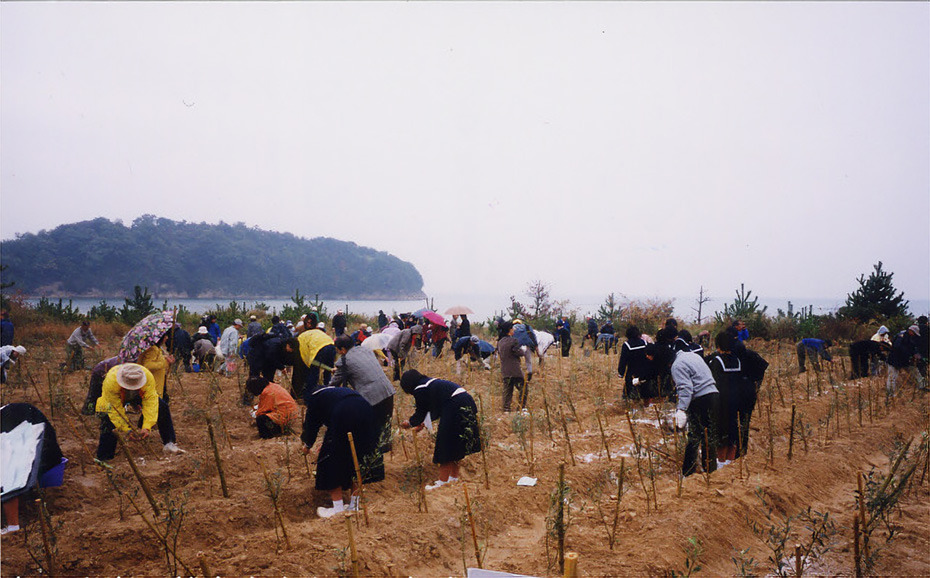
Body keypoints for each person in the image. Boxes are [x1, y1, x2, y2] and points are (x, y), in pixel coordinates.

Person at [300, 385, 383, 518]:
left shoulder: (315, 399)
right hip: (367, 411)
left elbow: (312, 425)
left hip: (344, 413)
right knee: (357, 458)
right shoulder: (336, 392)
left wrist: (307, 445)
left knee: (330, 460)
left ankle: (337, 509)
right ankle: (354, 505)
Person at [399, 370, 481, 490]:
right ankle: (453, 478)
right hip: (466, 401)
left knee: (445, 444)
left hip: (455, 406)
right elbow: (434, 409)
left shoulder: (420, 388)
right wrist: (423, 423)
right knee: (456, 443)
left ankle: (442, 481)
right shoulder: (431, 383)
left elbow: (421, 411)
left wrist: (410, 423)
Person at [95, 363, 182, 459]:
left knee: (162, 406)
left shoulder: (147, 376)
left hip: (139, 393)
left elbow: (151, 403)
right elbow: (114, 410)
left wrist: (147, 427)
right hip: (117, 395)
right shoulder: (111, 381)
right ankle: (105, 457)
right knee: (108, 419)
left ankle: (169, 443)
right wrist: (127, 430)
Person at [1, 403, 63, 535]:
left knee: (7, 478)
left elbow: (8, 480)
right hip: (40, 445)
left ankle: (13, 527)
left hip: (43, 452)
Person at [330, 335, 396, 451]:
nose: (338, 353)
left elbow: (333, 384)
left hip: (372, 397)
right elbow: (361, 367)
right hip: (387, 390)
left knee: (371, 429)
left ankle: (373, 458)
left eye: (338, 350)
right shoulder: (365, 350)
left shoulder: (344, 362)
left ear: (343, 349)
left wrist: (337, 373)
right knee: (385, 426)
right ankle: (383, 452)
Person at [668, 343, 719, 477]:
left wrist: (681, 409)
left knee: (694, 436)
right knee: (709, 434)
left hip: (701, 399)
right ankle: (711, 470)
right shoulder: (692, 355)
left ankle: (688, 472)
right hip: (713, 395)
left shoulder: (677, 365)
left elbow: (686, 388)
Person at [706, 332, 747, 467]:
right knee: (733, 433)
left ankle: (720, 463)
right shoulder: (737, 361)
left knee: (721, 434)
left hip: (721, 403)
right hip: (736, 402)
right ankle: (730, 462)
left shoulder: (717, 361)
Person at [295, 313, 337, 399]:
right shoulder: (319, 332)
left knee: (313, 374)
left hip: (319, 351)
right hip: (331, 347)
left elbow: (304, 353)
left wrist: (308, 364)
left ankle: (309, 398)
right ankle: (328, 393)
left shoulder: (302, 336)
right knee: (327, 373)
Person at [886, 325, 927, 396]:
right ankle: (890, 394)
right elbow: (897, 347)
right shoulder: (900, 336)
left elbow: (912, 348)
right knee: (892, 377)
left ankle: (922, 386)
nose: (914, 335)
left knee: (915, 372)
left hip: (904, 360)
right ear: (911, 331)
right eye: (914, 333)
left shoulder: (911, 338)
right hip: (894, 360)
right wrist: (909, 354)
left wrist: (915, 354)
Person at [617, 326, 654, 403]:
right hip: (644, 373)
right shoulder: (644, 343)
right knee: (645, 394)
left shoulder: (627, 345)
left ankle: (634, 410)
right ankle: (646, 408)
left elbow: (623, 361)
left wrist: (621, 373)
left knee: (631, 395)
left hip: (632, 373)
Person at [497, 321, 528, 412]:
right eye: (512, 328)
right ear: (509, 330)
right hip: (515, 370)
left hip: (505, 370)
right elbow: (519, 353)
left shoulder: (500, 342)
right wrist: (523, 349)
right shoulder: (513, 341)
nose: (513, 330)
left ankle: (506, 409)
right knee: (523, 388)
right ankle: (521, 407)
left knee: (507, 391)